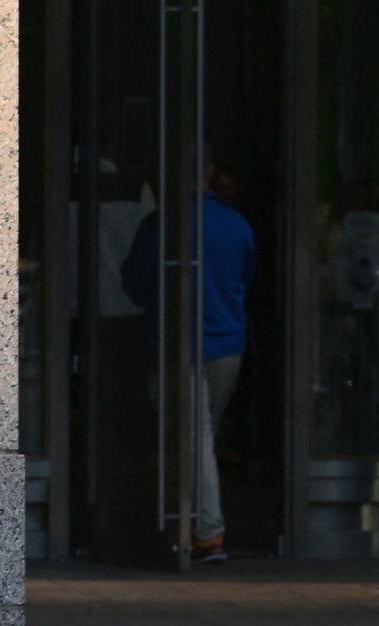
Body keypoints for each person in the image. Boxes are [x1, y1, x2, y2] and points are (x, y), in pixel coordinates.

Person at [121, 153, 258, 563]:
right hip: (227, 345)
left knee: (192, 440)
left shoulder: (161, 225)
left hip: (174, 347)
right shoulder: (237, 225)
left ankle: (204, 532)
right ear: (211, 172)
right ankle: (194, 525)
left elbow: (134, 284)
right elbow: (247, 278)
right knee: (202, 438)